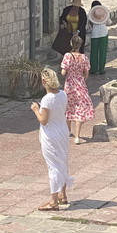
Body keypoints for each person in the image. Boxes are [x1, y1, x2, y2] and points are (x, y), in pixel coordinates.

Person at [31, 68, 74, 210]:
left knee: (53, 165)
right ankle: (63, 194)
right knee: (62, 161)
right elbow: (65, 110)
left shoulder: (47, 99)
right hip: (62, 131)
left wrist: (36, 109)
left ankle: (53, 200)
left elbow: (43, 120)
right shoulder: (63, 94)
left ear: (44, 82)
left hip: (51, 135)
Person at [62, 34, 95, 143]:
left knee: (69, 107)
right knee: (80, 108)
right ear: (80, 45)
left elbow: (63, 72)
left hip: (70, 84)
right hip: (80, 84)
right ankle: (77, 136)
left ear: (71, 44)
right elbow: (86, 72)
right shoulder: (84, 58)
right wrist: (81, 78)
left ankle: (67, 131)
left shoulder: (67, 56)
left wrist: (65, 72)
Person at [87, 1, 111, 75]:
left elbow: (89, 26)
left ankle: (93, 68)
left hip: (95, 34)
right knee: (102, 52)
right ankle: (101, 69)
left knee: (94, 52)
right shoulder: (103, 14)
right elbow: (109, 23)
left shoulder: (91, 16)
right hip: (103, 33)